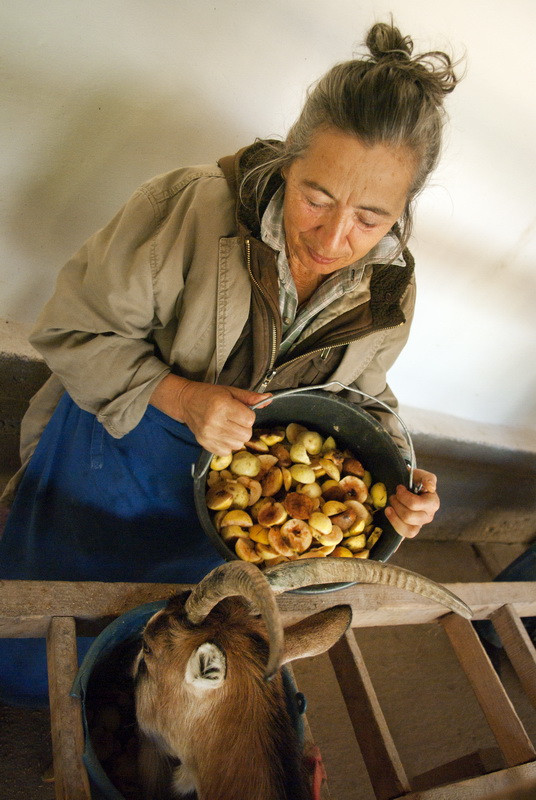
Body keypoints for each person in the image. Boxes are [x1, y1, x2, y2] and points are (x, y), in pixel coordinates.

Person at [0, 21, 459, 706]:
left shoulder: (391, 287)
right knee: (32, 652)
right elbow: (71, 332)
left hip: (228, 513)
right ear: (287, 162)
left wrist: (400, 468)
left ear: (402, 211)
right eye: (316, 198)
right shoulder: (186, 209)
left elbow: (363, 397)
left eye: (370, 218)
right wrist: (182, 398)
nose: (334, 238)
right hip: (120, 457)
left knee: (163, 650)